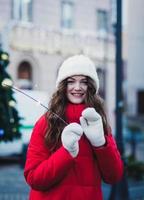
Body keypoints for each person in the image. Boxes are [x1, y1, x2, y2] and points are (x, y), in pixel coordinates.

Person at [24, 55, 123, 200]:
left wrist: (101, 144)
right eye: (71, 82)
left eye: (84, 82)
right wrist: (66, 153)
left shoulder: (97, 121)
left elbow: (114, 176)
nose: (77, 88)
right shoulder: (46, 122)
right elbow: (34, 178)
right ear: (63, 86)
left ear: (91, 86)